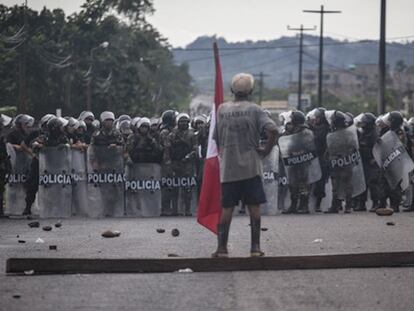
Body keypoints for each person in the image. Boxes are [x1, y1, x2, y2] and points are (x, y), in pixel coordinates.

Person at [212, 73, 277, 257]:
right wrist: (265, 150)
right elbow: (273, 129)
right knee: (254, 207)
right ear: (251, 91)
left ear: (232, 90)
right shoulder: (255, 110)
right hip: (250, 166)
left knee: (227, 209)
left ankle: (222, 248)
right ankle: (255, 248)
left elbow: (216, 139)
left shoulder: (222, 110)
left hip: (229, 168)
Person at [164, 113, 198, 216]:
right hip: (175, 163)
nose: (183, 123)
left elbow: (195, 149)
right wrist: (168, 163)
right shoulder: (171, 135)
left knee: (188, 188)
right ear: (177, 123)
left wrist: (188, 157)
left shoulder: (192, 135)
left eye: (185, 121)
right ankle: (175, 210)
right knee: (174, 189)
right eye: (181, 121)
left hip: (187, 164)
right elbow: (167, 150)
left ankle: (187, 210)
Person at [306, 108, 330, 212]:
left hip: (321, 158)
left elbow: (318, 138)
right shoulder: (316, 127)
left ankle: (317, 204)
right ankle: (310, 204)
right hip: (314, 157)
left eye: (317, 118)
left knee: (320, 182)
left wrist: (311, 128)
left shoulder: (325, 128)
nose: (315, 120)